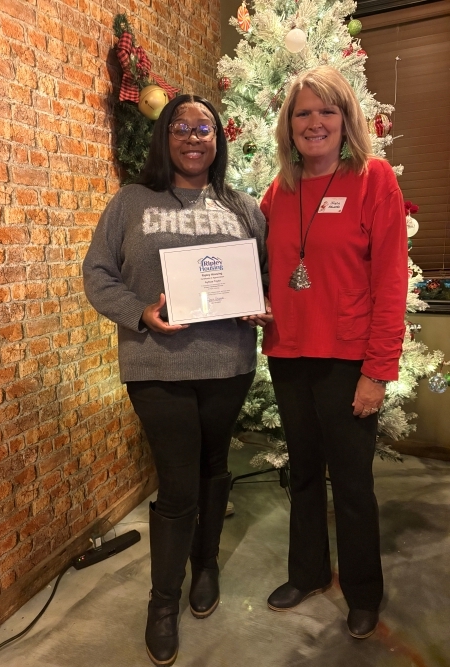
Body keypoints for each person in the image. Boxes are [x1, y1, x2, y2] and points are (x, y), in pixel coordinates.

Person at [83, 93, 270, 667]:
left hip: (227, 362)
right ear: (166, 137)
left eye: (204, 128)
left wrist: (257, 304)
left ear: (218, 140)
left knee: (216, 466)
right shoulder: (132, 202)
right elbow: (97, 274)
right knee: (178, 479)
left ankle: (205, 564)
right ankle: (162, 601)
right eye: (181, 127)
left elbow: (264, 273)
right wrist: (141, 311)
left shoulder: (242, 206)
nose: (193, 137)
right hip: (157, 364)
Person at [260, 67, 408, 639]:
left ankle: (363, 592)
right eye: (303, 113)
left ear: (346, 119)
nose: (314, 123)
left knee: (350, 483)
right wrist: (258, 303)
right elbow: (272, 270)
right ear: (289, 125)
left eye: (326, 112)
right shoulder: (281, 190)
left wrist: (377, 372)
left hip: (348, 359)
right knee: (302, 474)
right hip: (289, 353)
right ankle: (309, 572)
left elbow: (391, 283)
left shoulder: (374, 180)